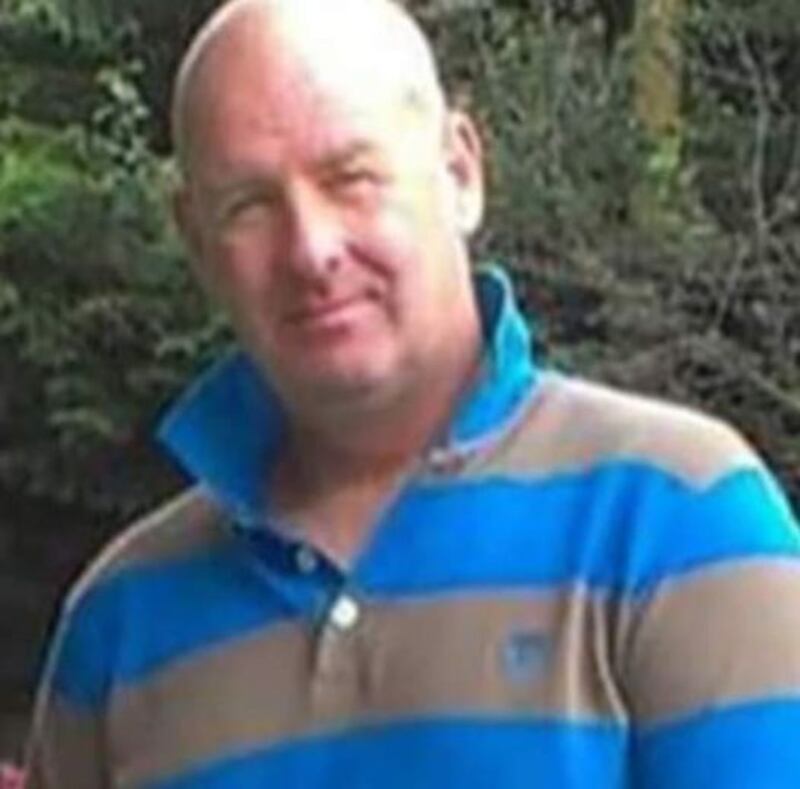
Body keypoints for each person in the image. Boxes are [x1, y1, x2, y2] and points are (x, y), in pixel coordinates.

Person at [25, 0, 800, 786]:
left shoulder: (676, 519)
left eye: (351, 178)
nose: (311, 249)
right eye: (250, 206)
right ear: (196, 241)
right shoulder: (118, 626)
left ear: (459, 174)